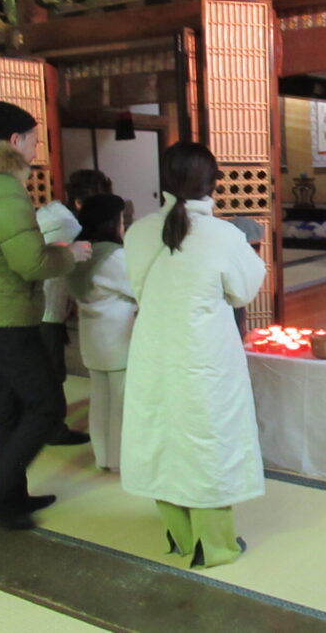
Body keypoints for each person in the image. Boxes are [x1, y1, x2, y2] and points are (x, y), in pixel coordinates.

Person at [0, 98, 92, 530]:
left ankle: (10, 497)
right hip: (5, 317)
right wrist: (69, 255)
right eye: (33, 140)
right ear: (13, 140)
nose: (35, 149)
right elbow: (31, 263)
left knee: (6, 406)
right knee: (46, 406)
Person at [121, 141, 266, 568]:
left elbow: (138, 286)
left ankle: (179, 534)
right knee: (208, 440)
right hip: (205, 355)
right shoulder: (224, 235)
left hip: (154, 349)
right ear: (213, 183)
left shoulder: (138, 231)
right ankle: (215, 545)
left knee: (161, 436)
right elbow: (244, 289)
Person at [36, 169, 114, 447]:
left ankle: (44, 425)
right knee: (51, 370)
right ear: (80, 202)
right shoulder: (67, 226)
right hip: (46, 308)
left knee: (45, 369)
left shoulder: (50, 213)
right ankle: (51, 428)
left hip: (39, 305)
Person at [67, 194, 135, 472]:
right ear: (111, 222)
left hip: (91, 339)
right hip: (117, 339)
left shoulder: (79, 251)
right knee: (121, 402)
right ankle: (121, 462)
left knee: (100, 399)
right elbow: (139, 288)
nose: (124, 225)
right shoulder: (113, 256)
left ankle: (103, 457)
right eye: (122, 219)